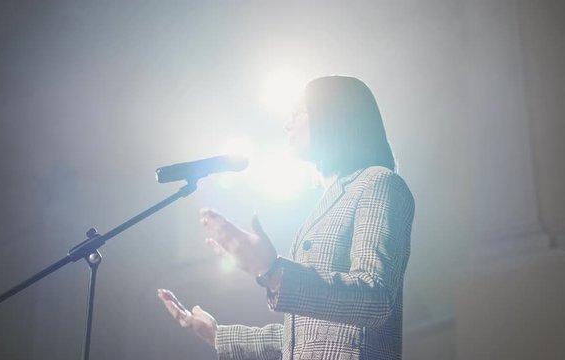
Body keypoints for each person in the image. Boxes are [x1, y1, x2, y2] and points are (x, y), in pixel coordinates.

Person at [158, 76, 415, 360]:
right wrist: (216, 334)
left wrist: (273, 271)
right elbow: (309, 335)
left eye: (299, 112)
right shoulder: (322, 205)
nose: (287, 123)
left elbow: (376, 300)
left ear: (336, 115)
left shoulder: (378, 182)